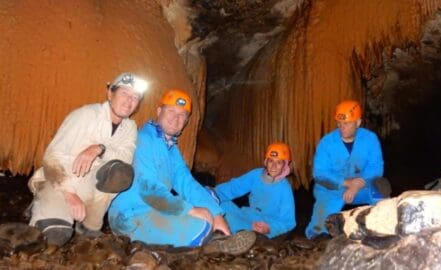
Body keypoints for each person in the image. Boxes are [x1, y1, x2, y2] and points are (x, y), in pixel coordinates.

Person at [108, 89, 256, 255]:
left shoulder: (171, 148)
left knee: (208, 211)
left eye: (182, 115)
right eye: (171, 111)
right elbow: (149, 190)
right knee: (200, 224)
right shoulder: (144, 139)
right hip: (129, 215)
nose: (176, 118)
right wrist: (190, 210)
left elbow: (188, 184)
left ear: (186, 121)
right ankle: (211, 245)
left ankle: (213, 240)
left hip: (152, 210)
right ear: (159, 112)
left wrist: (216, 215)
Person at [28, 72, 148, 246]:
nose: (129, 101)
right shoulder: (86, 115)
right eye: (124, 93)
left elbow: (126, 157)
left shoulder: (129, 128)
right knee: (55, 236)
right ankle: (41, 206)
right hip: (60, 182)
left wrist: (99, 148)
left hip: (90, 186)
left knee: (121, 172)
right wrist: (70, 194)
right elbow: (53, 156)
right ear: (110, 94)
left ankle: (90, 224)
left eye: (135, 97)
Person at [305, 100, 391, 239]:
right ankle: (318, 236)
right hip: (332, 189)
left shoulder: (369, 139)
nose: (341, 127)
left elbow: (376, 167)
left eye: (346, 123)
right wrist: (346, 183)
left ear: (357, 123)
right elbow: (320, 173)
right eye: (339, 123)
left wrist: (358, 183)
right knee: (319, 229)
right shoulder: (327, 142)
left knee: (381, 186)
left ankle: (385, 224)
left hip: (363, 187)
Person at [209, 143, 296, 239]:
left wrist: (269, 228)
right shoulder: (256, 175)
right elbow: (234, 187)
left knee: (231, 221)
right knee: (220, 204)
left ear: (285, 165)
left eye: (279, 162)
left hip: (265, 226)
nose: (274, 166)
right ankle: (233, 233)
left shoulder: (284, 189)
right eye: (271, 161)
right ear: (266, 162)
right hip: (248, 216)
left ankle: (237, 235)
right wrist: (210, 193)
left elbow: (288, 222)